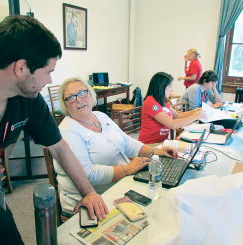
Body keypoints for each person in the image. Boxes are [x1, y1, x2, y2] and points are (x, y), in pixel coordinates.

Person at [0, 15, 107, 245]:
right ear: (21, 67)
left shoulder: (27, 99)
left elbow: (59, 147)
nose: (50, 80)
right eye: (48, 71)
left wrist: (88, 192)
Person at [54, 77, 179, 214]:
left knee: (166, 200)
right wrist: (127, 169)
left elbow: (126, 142)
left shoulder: (99, 116)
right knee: (155, 212)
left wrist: (155, 151)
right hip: (92, 201)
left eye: (83, 93)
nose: (79, 99)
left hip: (120, 184)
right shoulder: (67, 132)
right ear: (65, 105)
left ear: (90, 94)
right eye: (71, 97)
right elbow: (87, 175)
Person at [138, 72, 206, 145]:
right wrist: (194, 117)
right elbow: (173, 125)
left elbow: (177, 116)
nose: (172, 90)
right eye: (170, 86)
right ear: (161, 87)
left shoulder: (162, 100)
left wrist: (195, 111)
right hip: (150, 144)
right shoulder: (151, 103)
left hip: (162, 142)